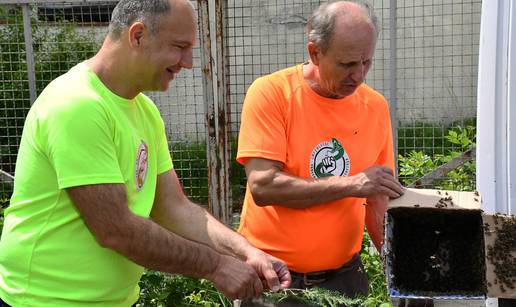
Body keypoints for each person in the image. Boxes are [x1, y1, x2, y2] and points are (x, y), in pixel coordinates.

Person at [0, 0, 290, 306]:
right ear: (138, 35)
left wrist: (245, 252)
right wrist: (215, 265)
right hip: (43, 300)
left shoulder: (144, 111)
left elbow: (173, 208)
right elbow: (115, 229)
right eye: (180, 46)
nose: (188, 62)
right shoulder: (77, 104)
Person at [236, 1, 404, 305]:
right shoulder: (272, 94)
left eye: (366, 62)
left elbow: (378, 198)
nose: (359, 75)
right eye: (347, 64)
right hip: (275, 279)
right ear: (315, 52)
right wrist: (352, 184)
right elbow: (263, 186)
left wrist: (400, 272)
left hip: (345, 278)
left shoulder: (375, 107)